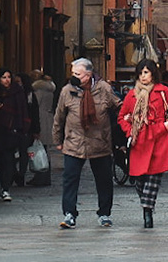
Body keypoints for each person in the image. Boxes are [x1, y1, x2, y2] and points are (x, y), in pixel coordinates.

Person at [53, 57, 119, 229]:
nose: (74, 76)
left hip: (100, 142)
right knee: (70, 179)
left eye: (78, 74)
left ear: (88, 75)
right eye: (73, 73)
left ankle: (104, 213)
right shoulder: (67, 90)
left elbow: (118, 107)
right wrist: (57, 140)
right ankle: (69, 214)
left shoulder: (103, 88)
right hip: (74, 143)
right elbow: (59, 116)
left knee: (104, 180)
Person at [118, 59, 168, 228]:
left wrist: (167, 125)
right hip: (139, 142)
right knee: (139, 181)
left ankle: (147, 211)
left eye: (146, 72)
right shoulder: (131, 94)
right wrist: (129, 130)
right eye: (140, 73)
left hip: (158, 140)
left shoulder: (163, 91)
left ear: (153, 73)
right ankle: (147, 206)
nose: (143, 76)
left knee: (153, 179)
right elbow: (122, 116)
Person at [0, 67, 29, 203]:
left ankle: (6, 188)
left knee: (9, 159)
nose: (7, 80)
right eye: (4, 77)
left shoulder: (18, 92)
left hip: (12, 130)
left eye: (9, 77)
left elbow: (23, 110)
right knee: (0, 160)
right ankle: (4, 185)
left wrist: (24, 127)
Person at [29, 70, 56, 186]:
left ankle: (41, 175)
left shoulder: (38, 90)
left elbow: (33, 104)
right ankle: (44, 176)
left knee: (39, 149)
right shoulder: (49, 89)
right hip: (48, 117)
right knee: (44, 149)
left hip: (40, 118)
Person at [15, 73, 41, 186]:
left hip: (26, 128)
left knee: (23, 152)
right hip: (15, 127)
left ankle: (20, 175)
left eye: (18, 82)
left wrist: (36, 130)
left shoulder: (30, 96)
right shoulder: (13, 95)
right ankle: (16, 174)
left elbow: (35, 113)